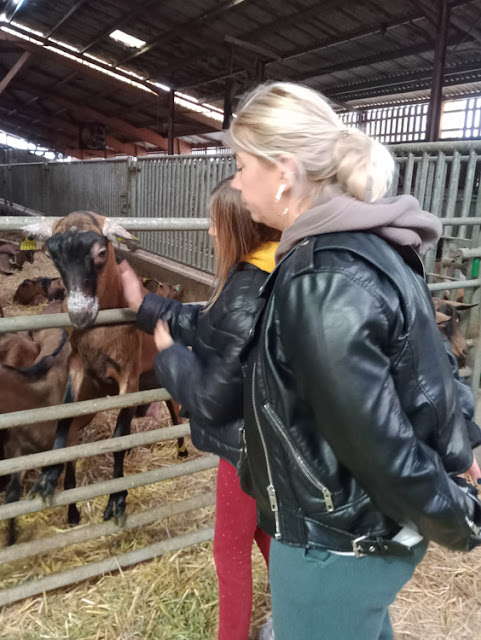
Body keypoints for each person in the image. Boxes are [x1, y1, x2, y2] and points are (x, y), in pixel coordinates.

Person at [227, 82, 481, 640]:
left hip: (336, 543)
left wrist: (457, 519)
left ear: (284, 169)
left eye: (242, 164)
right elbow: (424, 364)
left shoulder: (320, 278)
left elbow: (378, 446)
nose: (237, 180)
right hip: (362, 529)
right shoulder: (368, 244)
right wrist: (460, 442)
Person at [119, 178, 279, 640]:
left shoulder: (249, 287)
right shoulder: (273, 270)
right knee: (266, 532)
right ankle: (294, 617)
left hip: (247, 444)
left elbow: (209, 393)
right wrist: (148, 306)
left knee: (228, 552)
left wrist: (167, 349)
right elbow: (211, 327)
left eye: (214, 222)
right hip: (271, 438)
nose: (209, 231)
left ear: (235, 227)